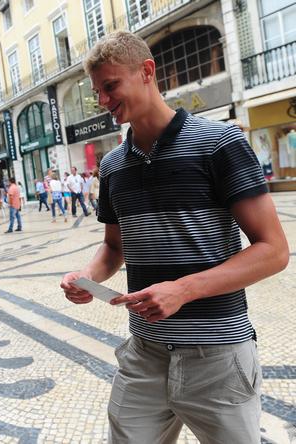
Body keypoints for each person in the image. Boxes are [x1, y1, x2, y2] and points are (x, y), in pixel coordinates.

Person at [60, 31, 289, 444]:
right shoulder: (112, 166)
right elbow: (115, 246)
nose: (103, 100)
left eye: (110, 86)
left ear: (147, 71)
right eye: (98, 91)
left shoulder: (219, 143)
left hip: (218, 357)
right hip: (143, 355)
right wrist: (87, 274)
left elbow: (273, 251)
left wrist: (182, 290)